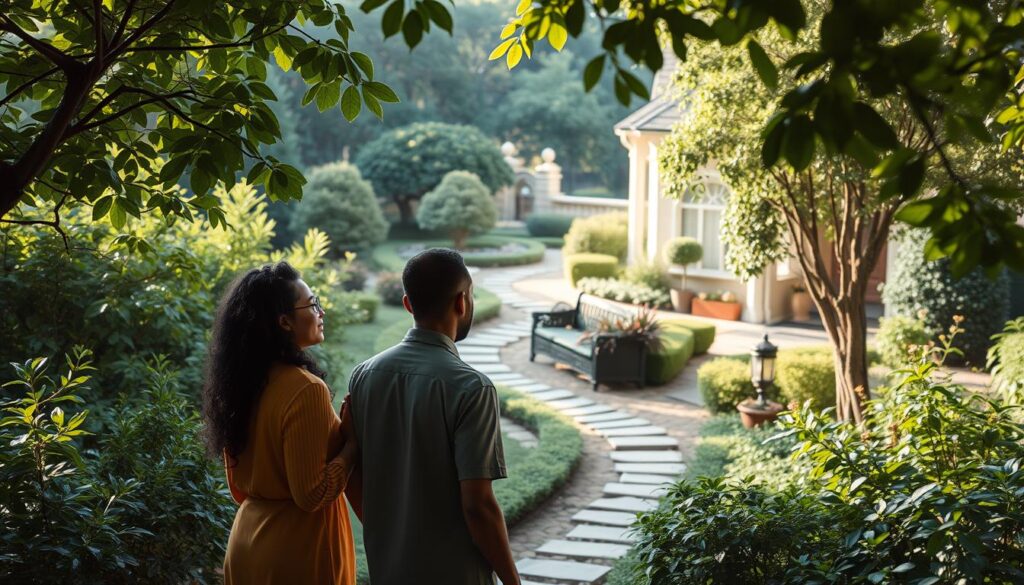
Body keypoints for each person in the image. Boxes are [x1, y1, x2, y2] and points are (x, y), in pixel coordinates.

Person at [346, 249, 520, 585]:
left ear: (408, 305)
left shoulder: (363, 376)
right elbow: (478, 506)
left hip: (389, 571)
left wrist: (391, 537)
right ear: (462, 303)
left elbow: (352, 475)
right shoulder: (472, 388)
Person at [202, 261, 359, 585]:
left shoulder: (243, 382)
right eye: (313, 304)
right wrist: (352, 446)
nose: (321, 312)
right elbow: (312, 495)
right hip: (298, 553)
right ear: (284, 321)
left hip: (248, 539)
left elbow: (239, 489)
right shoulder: (305, 389)